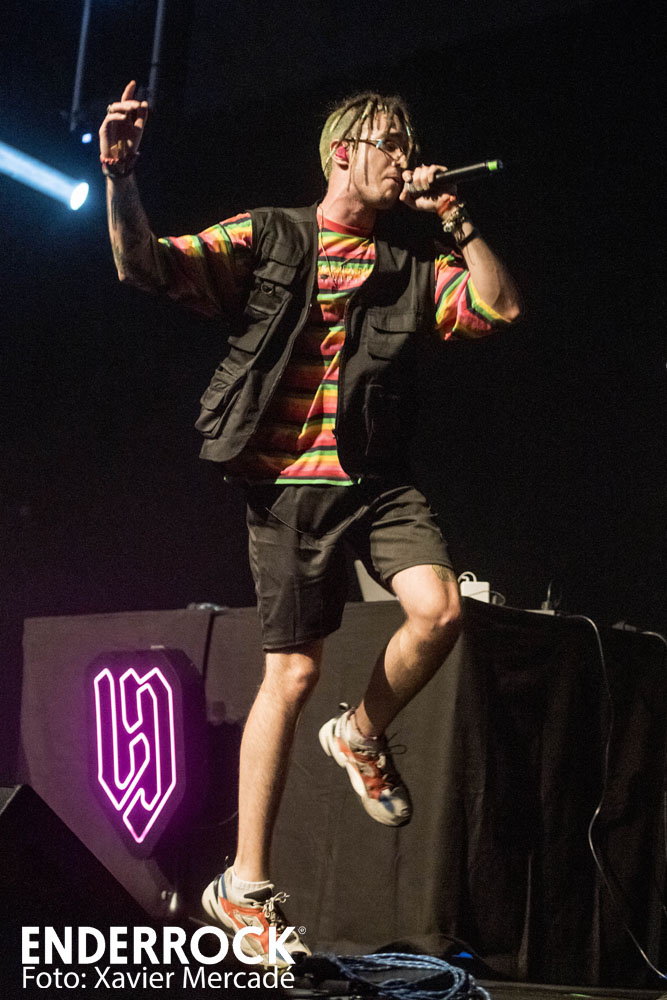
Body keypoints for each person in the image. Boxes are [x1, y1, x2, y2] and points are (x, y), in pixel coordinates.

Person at [100, 81, 521, 967]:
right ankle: (243, 884)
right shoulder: (271, 234)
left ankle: (360, 733)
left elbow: (496, 309)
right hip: (288, 487)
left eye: (407, 145)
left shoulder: (407, 265)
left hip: (376, 481)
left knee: (440, 610)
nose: (402, 158)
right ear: (341, 154)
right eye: (387, 143)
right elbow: (147, 266)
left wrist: (453, 220)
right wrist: (121, 177)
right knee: (291, 673)